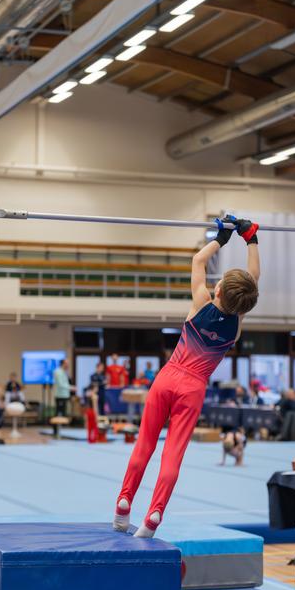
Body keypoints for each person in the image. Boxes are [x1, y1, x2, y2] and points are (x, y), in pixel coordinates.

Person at [113, 215, 260, 537]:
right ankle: (153, 516)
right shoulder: (236, 324)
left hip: (168, 378)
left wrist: (222, 238)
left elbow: (198, 260)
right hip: (194, 387)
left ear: (217, 289)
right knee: (173, 453)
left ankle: (124, 502)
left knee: (145, 445)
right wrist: (251, 239)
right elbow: (253, 281)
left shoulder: (201, 303)